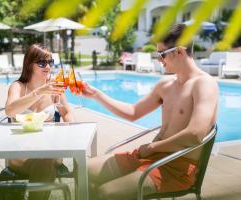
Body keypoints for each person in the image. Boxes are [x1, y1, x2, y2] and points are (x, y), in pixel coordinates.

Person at [81, 24, 218, 200]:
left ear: (179, 51)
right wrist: (96, 94)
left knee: (106, 193)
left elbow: (195, 135)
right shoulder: (165, 85)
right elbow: (133, 112)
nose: (159, 59)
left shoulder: (204, 84)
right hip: (149, 155)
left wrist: (153, 147)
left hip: (176, 167)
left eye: (162, 54)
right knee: (84, 172)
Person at [5, 43, 75, 200]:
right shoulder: (18, 86)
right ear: (29, 64)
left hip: (50, 151)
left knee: (45, 158)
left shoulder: (54, 87)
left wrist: (69, 125)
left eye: (50, 62)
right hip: (21, 153)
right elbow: (9, 110)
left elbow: (67, 111)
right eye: (42, 62)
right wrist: (38, 92)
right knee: (43, 163)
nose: (48, 66)